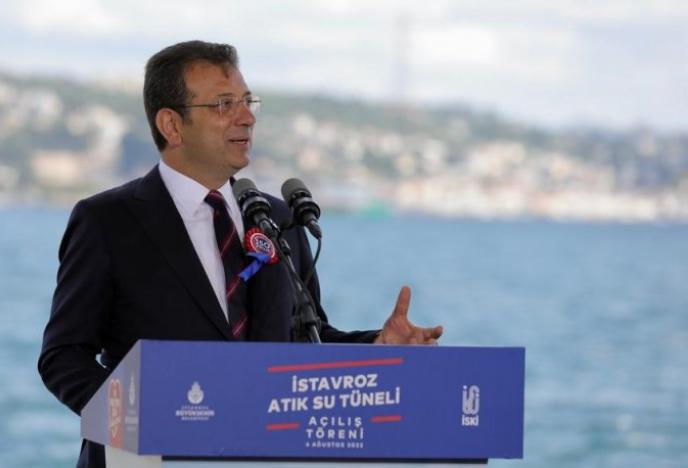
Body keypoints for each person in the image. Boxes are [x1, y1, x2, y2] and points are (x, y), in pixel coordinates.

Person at [38, 40, 443, 468]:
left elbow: (309, 339)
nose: (246, 117)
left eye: (248, 102)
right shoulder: (108, 221)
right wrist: (134, 422)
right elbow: (64, 356)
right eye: (223, 104)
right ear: (172, 125)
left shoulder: (279, 219)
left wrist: (380, 348)